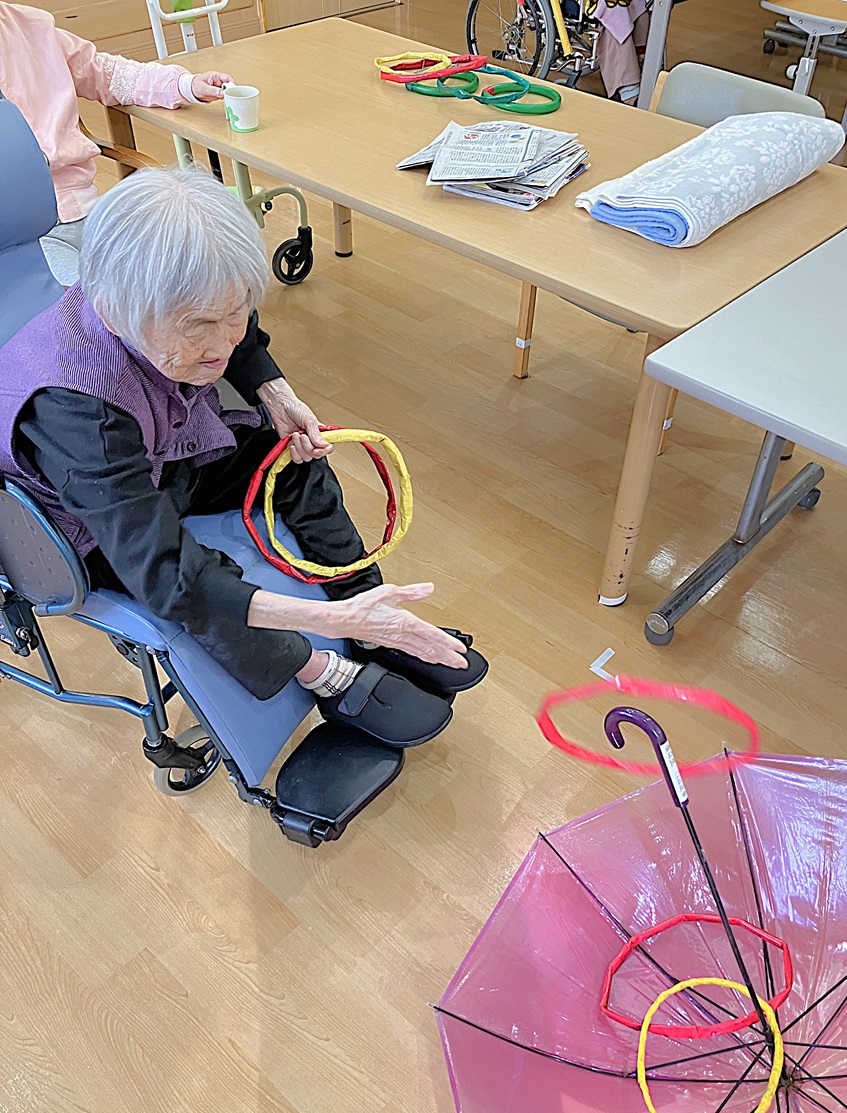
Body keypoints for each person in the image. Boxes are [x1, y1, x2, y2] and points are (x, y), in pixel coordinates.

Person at [0, 166, 487, 747]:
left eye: (233, 313)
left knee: (291, 458)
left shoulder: (173, 305)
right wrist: (327, 625)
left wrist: (274, 391)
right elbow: (168, 576)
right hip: (76, 519)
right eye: (200, 326)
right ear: (113, 309)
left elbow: (239, 324)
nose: (223, 343)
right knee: (197, 587)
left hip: (160, 452)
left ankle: (368, 610)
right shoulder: (76, 411)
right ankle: (323, 672)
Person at [0, 0, 231, 285]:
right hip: (21, 237)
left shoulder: (33, 27)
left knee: (192, 276)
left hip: (88, 212)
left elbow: (108, 74)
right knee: (91, 303)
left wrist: (186, 85)